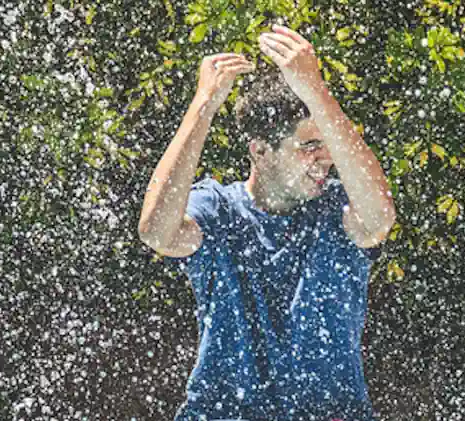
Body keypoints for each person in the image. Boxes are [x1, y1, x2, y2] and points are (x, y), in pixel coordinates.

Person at [137, 25, 397, 421]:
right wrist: (203, 104)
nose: (326, 159)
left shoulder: (340, 209)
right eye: (310, 146)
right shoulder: (218, 211)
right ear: (260, 152)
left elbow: (379, 219)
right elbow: (157, 231)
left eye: (328, 144)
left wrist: (316, 90)